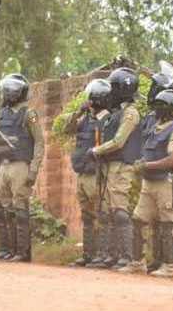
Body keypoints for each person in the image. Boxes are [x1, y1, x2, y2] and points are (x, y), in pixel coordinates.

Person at [119, 89, 173, 278]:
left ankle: (169, 266)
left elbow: (172, 160)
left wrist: (146, 165)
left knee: (168, 223)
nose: (156, 109)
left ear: (169, 110)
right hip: (149, 182)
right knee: (138, 219)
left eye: (160, 107)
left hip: (167, 182)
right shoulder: (155, 126)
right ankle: (137, 262)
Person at [87, 67, 141, 270]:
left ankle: (126, 256)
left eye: (114, 87)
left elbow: (119, 142)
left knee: (119, 211)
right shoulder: (117, 113)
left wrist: (96, 150)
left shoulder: (131, 113)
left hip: (122, 166)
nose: (110, 92)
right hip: (111, 166)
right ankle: (111, 255)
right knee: (108, 211)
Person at [0, 74, 44, 262]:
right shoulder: (3, 113)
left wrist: (33, 169)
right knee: (6, 209)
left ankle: (23, 252)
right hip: (4, 166)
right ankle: (9, 249)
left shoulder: (28, 114)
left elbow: (39, 143)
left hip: (20, 166)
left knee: (20, 208)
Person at [63, 79, 112, 267]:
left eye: (91, 98)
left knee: (101, 215)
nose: (89, 101)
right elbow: (68, 129)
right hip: (83, 173)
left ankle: (102, 254)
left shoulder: (107, 120)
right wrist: (79, 111)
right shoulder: (85, 118)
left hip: (96, 174)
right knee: (87, 216)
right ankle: (88, 254)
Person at [140, 60, 173, 274]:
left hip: (167, 177)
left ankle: (169, 262)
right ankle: (156, 260)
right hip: (150, 175)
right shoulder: (152, 118)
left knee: (167, 221)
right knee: (152, 220)